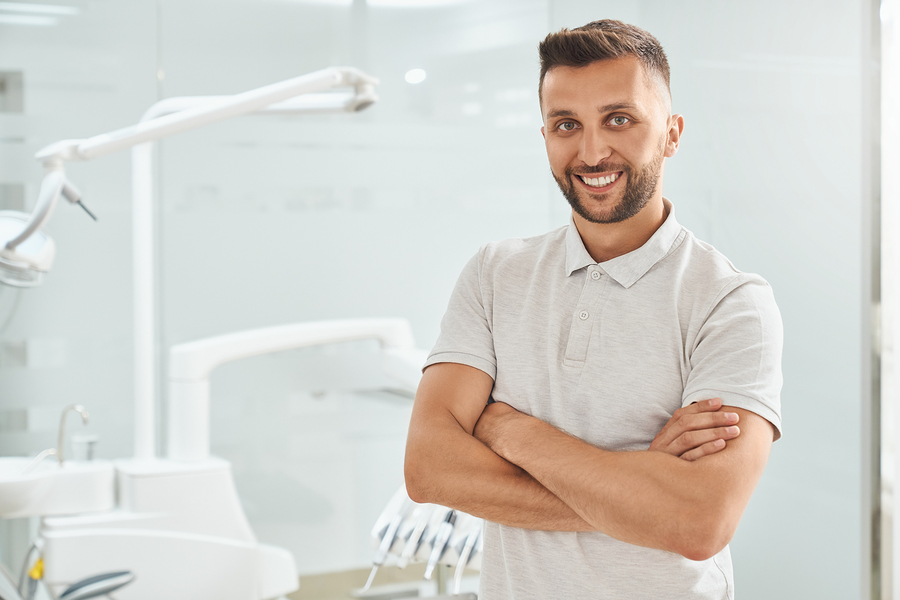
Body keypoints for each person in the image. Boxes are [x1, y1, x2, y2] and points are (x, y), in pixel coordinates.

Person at [404, 19, 783, 600]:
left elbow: (699, 522)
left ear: (671, 134)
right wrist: (639, 492)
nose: (591, 150)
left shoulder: (730, 302)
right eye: (566, 125)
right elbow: (430, 470)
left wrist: (509, 429)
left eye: (619, 119)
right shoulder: (494, 274)